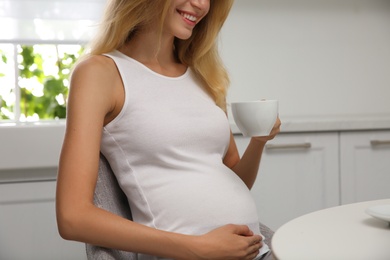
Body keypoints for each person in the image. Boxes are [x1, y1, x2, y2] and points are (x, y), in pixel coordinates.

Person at [55, 0, 281, 259]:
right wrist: (198, 248)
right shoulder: (100, 73)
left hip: (254, 251)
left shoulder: (204, 75)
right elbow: (72, 217)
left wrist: (259, 141)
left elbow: (234, 181)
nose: (201, 4)